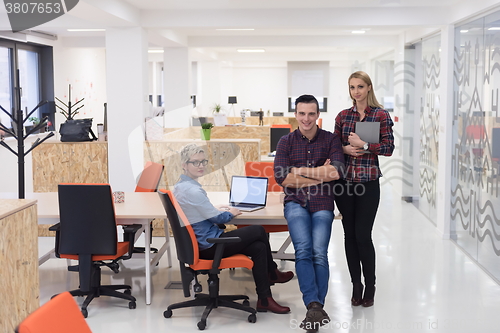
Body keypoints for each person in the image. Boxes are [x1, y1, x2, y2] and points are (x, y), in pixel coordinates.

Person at [173, 143, 294, 314]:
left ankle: (265, 299)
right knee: (259, 230)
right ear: (184, 165)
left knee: (259, 247)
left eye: (203, 161)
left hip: (202, 243)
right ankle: (272, 272)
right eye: (195, 162)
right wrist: (231, 212)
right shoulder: (193, 191)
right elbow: (217, 218)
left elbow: (199, 212)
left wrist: (214, 208)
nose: (201, 166)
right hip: (210, 246)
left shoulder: (181, 187)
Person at [274, 95, 345, 331]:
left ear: (318, 115)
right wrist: (319, 172)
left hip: (323, 202)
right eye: (302, 113)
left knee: (319, 252)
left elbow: (336, 173)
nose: (306, 118)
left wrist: (300, 172)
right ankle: (313, 305)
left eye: (311, 114)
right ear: (296, 114)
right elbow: (283, 178)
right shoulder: (285, 142)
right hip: (295, 203)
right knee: (303, 250)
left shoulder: (331, 139)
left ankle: (317, 307)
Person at [334, 71, 395, 308]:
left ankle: (370, 285)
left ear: (368, 88)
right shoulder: (342, 116)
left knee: (362, 235)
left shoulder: (380, 115)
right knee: (349, 236)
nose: (356, 91)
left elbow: (388, 148)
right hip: (344, 184)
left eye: (360, 86)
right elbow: (333, 148)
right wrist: (344, 150)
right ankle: (355, 285)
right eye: (352, 87)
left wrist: (365, 145)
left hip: (368, 183)